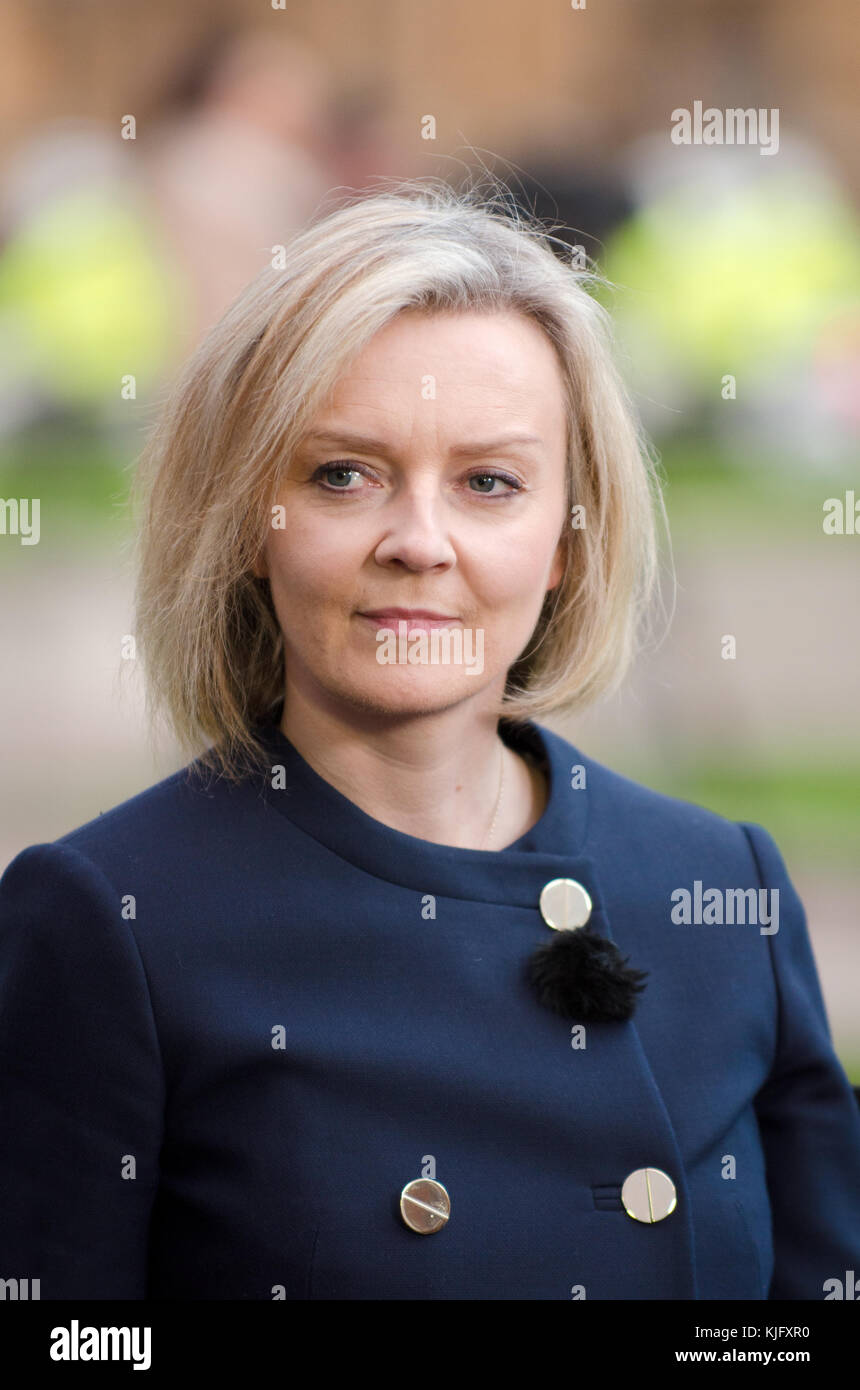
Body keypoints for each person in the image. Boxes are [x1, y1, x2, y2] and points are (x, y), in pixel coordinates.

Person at [1, 177, 858, 1301]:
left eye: (488, 482)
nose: (418, 540)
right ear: (248, 522)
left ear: (565, 536)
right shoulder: (110, 916)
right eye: (343, 474)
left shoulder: (721, 888)